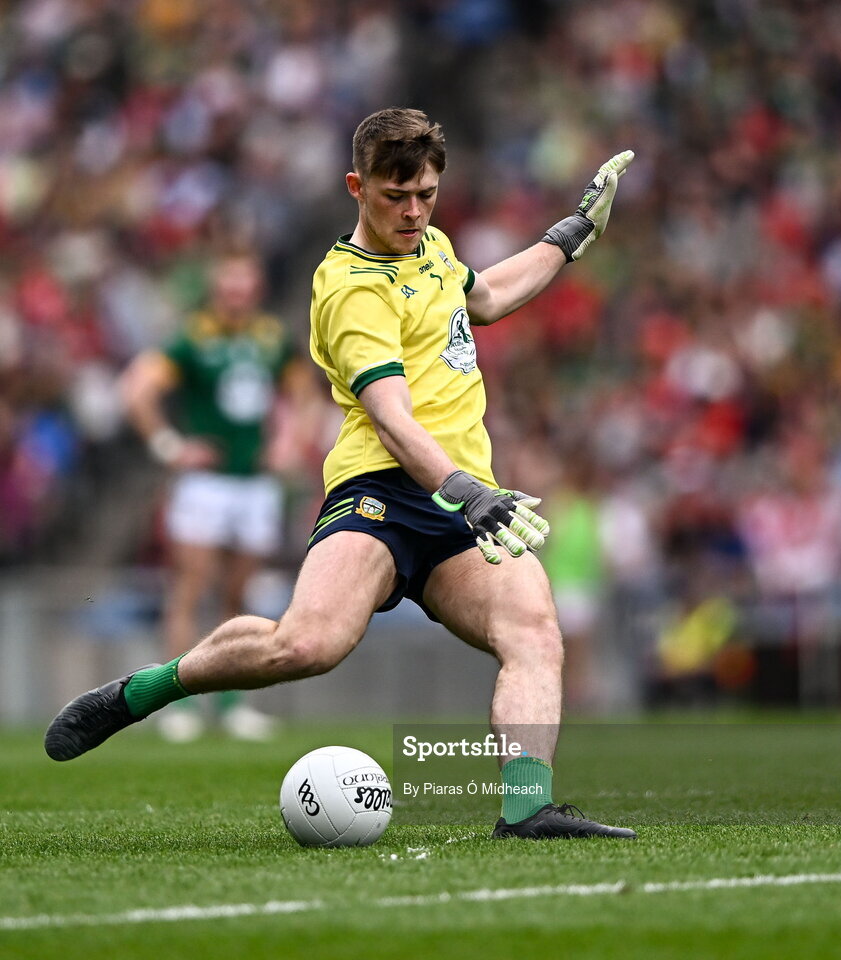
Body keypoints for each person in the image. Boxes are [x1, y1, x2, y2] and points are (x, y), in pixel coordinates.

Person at [45, 108, 637, 840]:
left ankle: (527, 811)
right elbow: (392, 417)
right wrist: (469, 491)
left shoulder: (431, 245)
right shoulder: (350, 288)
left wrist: (573, 233)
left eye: (426, 193)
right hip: (384, 490)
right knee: (306, 646)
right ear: (357, 186)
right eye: (396, 196)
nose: (414, 211)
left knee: (535, 630)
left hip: (459, 502)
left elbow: (487, 297)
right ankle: (146, 691)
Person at [119, 251, 317, 741]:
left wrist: (288, 442)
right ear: (216, 287)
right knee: (190, 587)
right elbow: (137, 390)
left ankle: (231, 703)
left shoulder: (270, 338)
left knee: (239, 595)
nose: (237, 292)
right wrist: (171, 447)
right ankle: (177, 700)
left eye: (244, 282)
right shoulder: (193, 337)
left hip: (254, 484)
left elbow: (306, 395)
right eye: (229, 282)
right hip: (205, 484)